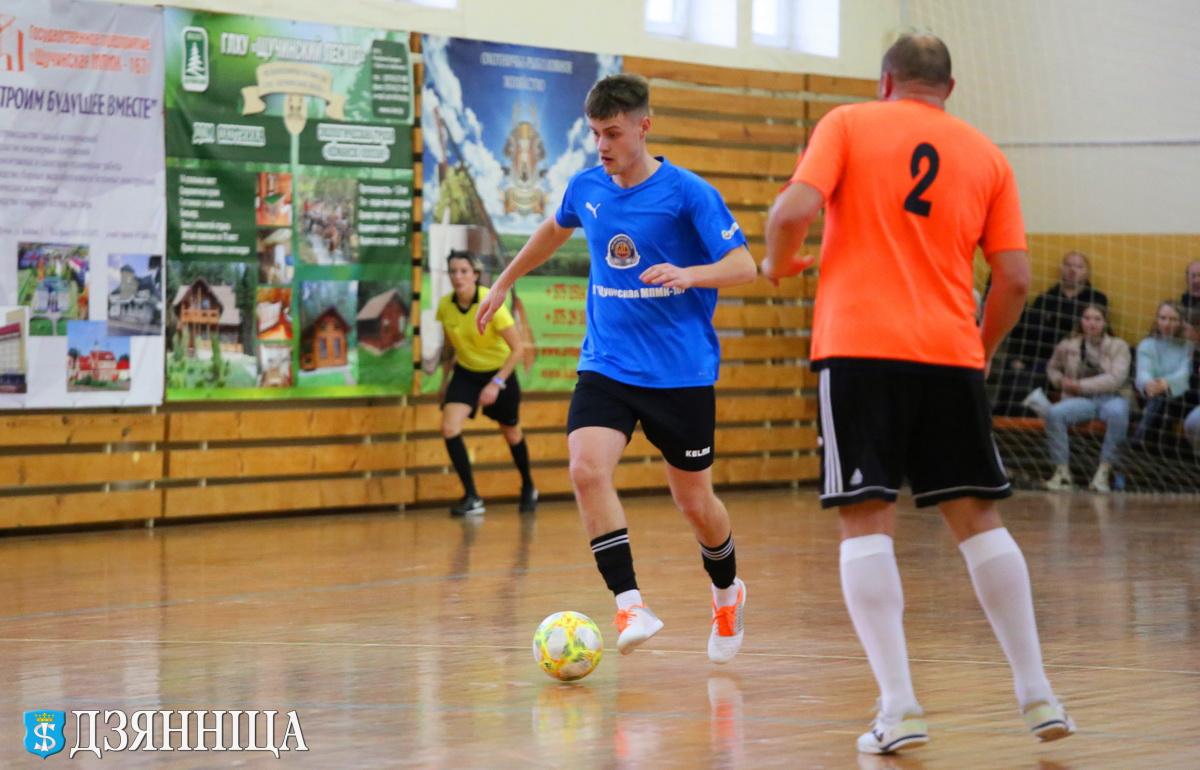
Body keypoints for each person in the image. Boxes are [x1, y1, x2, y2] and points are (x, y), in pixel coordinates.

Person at [762, 33, 1074, 754]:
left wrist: (779, 263)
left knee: (866, 522)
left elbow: (788, 215)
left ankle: (900, 706)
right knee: (979, 520)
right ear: (950, 88)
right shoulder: (987, 155)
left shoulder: (846, 123)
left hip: (858, 349)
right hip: (949, 354)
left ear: (885, 80)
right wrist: (978, 349)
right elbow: (1015, 278)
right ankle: (1038, 693)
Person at [477, 74, 757, 663]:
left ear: (643, 127)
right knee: (585, 468)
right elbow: (554, 229)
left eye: (612, 133)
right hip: (606, 364)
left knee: (694, 503)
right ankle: (630, 604)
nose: (602, 145)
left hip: (680, 373)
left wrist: (690, 274)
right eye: (595, 133)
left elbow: (743, 266)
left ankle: (727, 591)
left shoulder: (688, 193)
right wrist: (504, 280)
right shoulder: (586, 187)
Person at [436, 250, 537, 517]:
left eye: (464, 271)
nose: (458, 277)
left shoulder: (491, 303)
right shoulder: (445, 306)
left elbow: (518, 349)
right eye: (453, 271)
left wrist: (496, 383)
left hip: (499, 372)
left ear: (475, 275)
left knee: (511, 433)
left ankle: (528, 486)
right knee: (449, 427)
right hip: (466, 372)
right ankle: (472, 496)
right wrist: (444, 382)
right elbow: (449, 347)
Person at [991, 250, 1108, 415]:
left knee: (1027, 383)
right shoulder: (1045, 299)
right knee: (1012, 372)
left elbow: (1090, 332)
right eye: (1068, 265)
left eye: (1079, 266)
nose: (1072, 270)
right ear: (1061, 269)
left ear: (1087, 272)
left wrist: (1053, 323)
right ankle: (1002, 419)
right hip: (1040, 358)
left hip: (1073, 361)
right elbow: (1029, 332)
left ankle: (1037, 417)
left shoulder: (1096, 299)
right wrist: (1020, 358)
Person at [1043, 304, 1131, 492]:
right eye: (1087, 318)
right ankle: (1062, 473)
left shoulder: (1119, 346)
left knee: (1119, 412)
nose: (1092, 323)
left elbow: (1116, 379)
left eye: (1097, 319)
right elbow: (1052, 367)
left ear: (1105, 323)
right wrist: (1060, 381)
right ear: (1080, 321)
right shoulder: (1068, 345)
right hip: (1081, 400)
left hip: (1111, 397)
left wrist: (1080, 385)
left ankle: (1104, 472)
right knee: (1054, 413)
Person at [1131, 302, 1194, 451]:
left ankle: (1139, 441)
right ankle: (1161, 450)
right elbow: (1143, 371)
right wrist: (1148, 383)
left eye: (1173, 319)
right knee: (1161, 401)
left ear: (1181, 322)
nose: (1167, 323)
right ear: (1157, 319)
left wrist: (1166, 382)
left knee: (1164, 399)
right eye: (1163, 318)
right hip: (1151, 395)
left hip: (1181, 397)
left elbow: (1185, 372)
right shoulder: (1147, 344)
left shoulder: (1188, 346)